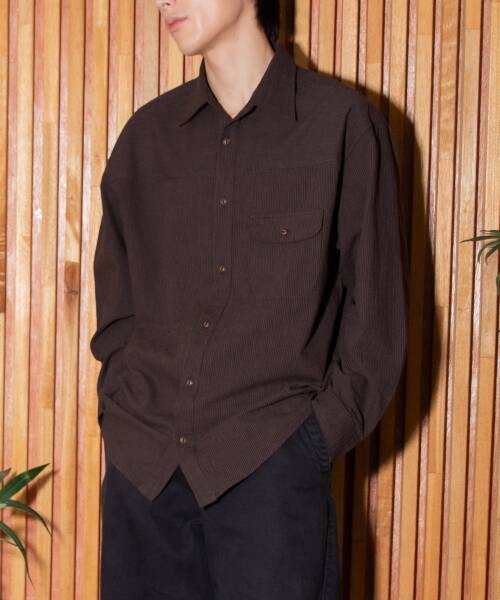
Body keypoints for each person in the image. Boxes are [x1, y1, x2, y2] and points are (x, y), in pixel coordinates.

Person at [91, 0, 409, 598]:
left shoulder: (342, 126)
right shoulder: (145, 139)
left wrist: (307, 444)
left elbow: (376, 327)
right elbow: (117, 309)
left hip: (270, 475)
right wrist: (121, 413)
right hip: (144, 472)